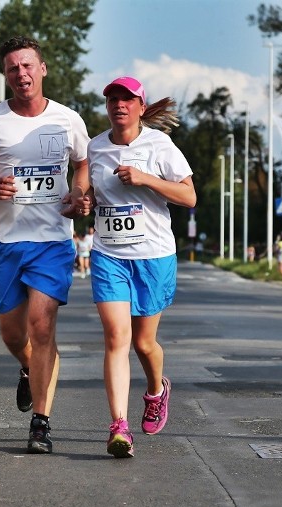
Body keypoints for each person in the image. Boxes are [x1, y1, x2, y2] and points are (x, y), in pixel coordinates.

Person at [0, 35, 90, 454]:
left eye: (28, 65)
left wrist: (79, 190)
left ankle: (41, 423)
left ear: (43, 68)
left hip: (52, 240)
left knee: (41, 325)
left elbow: (84, 162)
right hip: (5, 241)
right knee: (13, 334)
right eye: (13, 68)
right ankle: (27, 368)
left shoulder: (67, 119)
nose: (22, 74)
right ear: (6, 75)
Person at [71, 76, 195, 458]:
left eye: (127, 100)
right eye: (112, 100)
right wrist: (84, 201)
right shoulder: (96, 147)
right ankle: (118, 426)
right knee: (115, 338)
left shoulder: (159, 145)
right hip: (110, 255)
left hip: (153, 255)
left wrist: (146, 179)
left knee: (143, 343)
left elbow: (189, 196)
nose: (119, 105)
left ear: (141, 107)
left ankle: (157, 389)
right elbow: (85, 193)